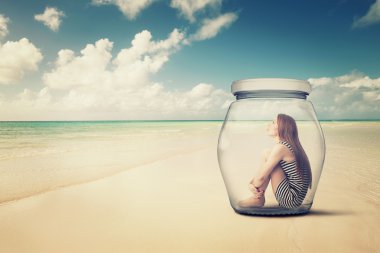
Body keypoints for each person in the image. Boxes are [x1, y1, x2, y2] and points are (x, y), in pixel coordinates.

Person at [238, 114, 312, 209]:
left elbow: (262, 177)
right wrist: (252, 183)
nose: (268, 125)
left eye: (273, 122)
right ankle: (257, 198)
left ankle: (257, 199)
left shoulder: (281, 147)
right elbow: (263, 173)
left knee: (267, 154)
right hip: (295, 200)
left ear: (282, 128)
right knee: (268, 155)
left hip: (290, 200)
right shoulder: (289, 146)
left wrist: (253, 185)